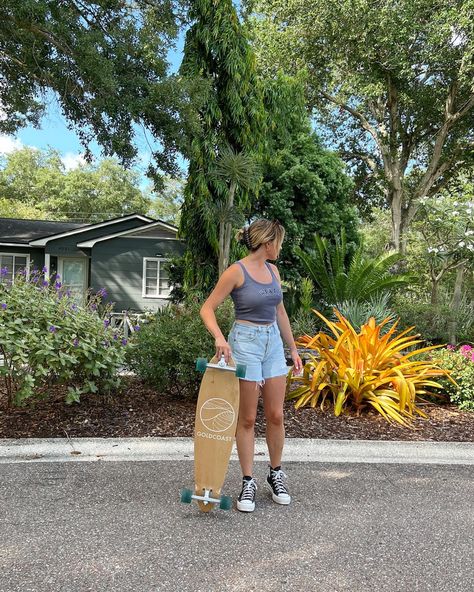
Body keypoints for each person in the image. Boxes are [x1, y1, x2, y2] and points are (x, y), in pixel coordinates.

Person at [200, 219, 303, 513]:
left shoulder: (273, 271)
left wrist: (292, 348)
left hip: (272, 344)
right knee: (246, 418)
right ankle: (248, 481)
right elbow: (207, 309)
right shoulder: (236, 271)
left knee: (276, 414)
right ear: (268, 243)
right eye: (278, 242)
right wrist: (220, 338)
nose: (280, 247)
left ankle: (275, 473)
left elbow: (279, 311)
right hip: (245, 344)